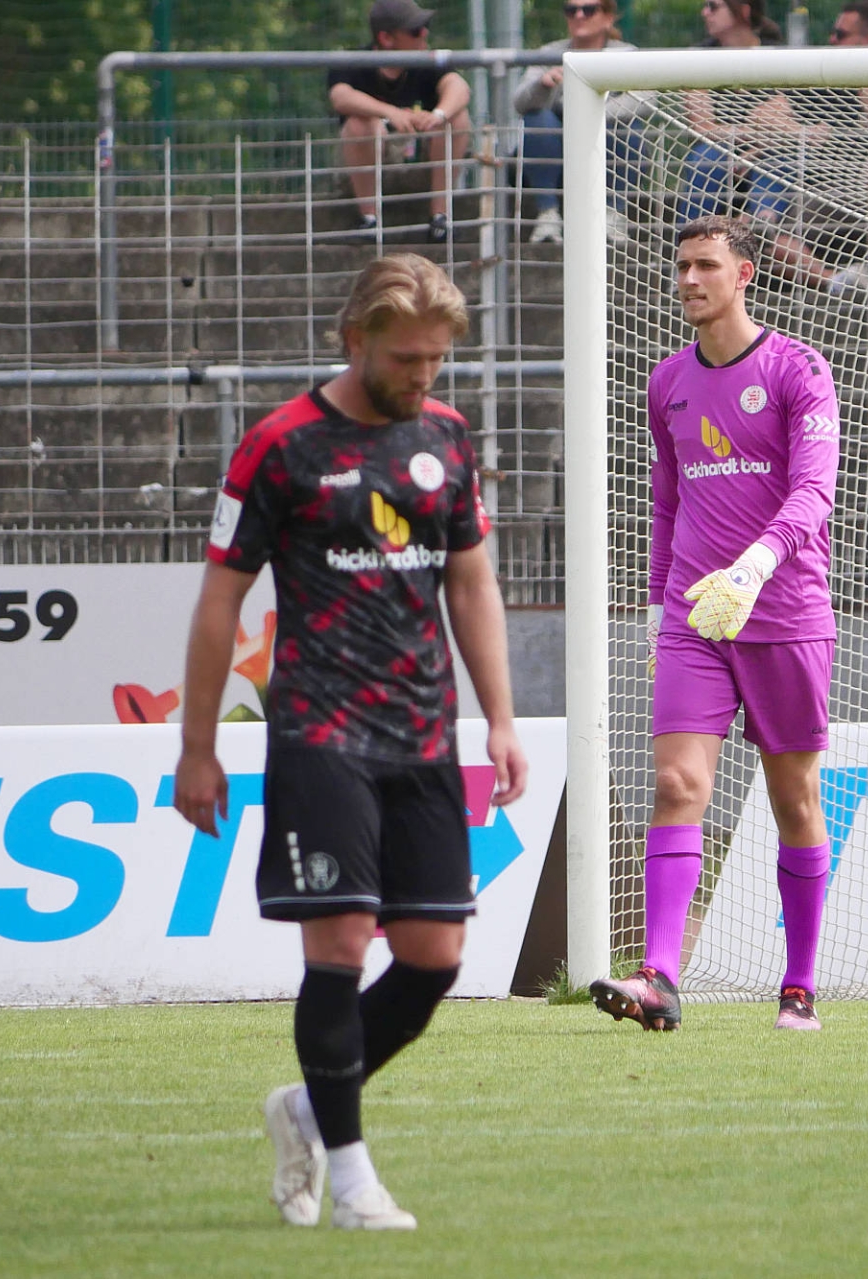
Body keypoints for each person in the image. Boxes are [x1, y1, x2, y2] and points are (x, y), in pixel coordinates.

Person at [173, 253, 528, 1230]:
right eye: (407, 358)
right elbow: (219, 601)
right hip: (320, 730)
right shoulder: (279, 445)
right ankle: (353, 1177)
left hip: (423, 732)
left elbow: (471, 584)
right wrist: (197, 747)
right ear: (355, 338)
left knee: (434, 956)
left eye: (436, 359)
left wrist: (499, 717)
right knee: (336, 946)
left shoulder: (446, 436)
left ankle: (306, 1107)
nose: (423, 375)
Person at [589, 215, 840, 1033]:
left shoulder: (798, 368)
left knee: (794, 798)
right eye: (682, 267)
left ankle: (798, 985)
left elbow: (814, 491)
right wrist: (658, 605)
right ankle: (659, 975)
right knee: (676, 784)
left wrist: (754, 566)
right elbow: (667, 501)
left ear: (744, 275)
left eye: (705, 265)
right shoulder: (666, 380)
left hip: (783, 610)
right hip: (695, 617)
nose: (690, 280)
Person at [678, 0, 868, 294]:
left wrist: (759, 144)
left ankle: (762, 222)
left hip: (771, 156)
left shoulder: (776, 55)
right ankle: (690, 247)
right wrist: (756, 136)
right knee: (707, 156)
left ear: (743, 10)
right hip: (724, 156)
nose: (704, 12)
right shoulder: (697, 58)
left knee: (777, 156)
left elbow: (789, 124)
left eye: (713, 6)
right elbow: (705, 129)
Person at [328, 0, 474, 244]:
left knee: (456, 118)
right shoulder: (354, 61)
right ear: (386, 38)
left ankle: (440, 219)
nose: (424, 34)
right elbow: (340, 96)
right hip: (368, 170)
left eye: (425, 27)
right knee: (359, 124)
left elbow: (459, 87)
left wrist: (437, 115)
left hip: (420, 167)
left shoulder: (428, 61)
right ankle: (369, 221)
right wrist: (391, 113)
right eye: (415, 30)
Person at [512, 0, 643, 245]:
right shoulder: (549, 53)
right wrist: (542, 84)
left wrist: (589, 114)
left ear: (608, 17)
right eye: (571, 10)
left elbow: (645, 100)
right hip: (557, 153)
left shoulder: (626, 54)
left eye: (589, 9)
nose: (579, 15)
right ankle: (548, 214)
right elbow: (519, 102)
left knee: (630, 130)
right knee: (537, 119)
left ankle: (612, 214)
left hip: (607, 146)